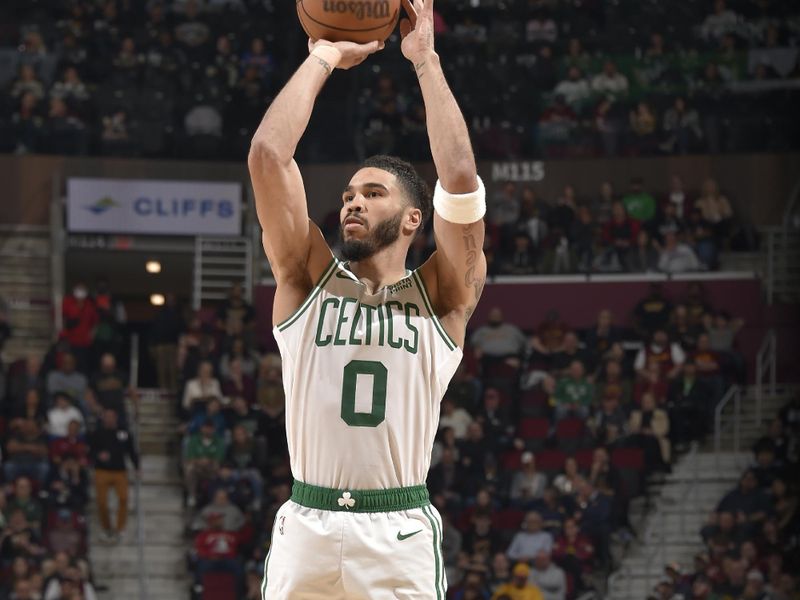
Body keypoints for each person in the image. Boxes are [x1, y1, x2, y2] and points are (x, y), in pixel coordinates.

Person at [248, 1, 487, 596]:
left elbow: (458, 178)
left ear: (413, 218)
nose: (351, 202)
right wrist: (324, 56)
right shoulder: (306, 279)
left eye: (372, 192)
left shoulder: (443, 294)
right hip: (308, 520)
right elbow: (268, 157)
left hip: (398, 530)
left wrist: (425, 61)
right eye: (349, 193)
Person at [89, 409, 140, 543]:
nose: (109, 419)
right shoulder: (97, 433)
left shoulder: (124, 433)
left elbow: (132, 451)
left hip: (120, 471)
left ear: (116, 418)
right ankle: (106, 528)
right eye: (107, 417)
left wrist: (137, 467)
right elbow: (91, 450)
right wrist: (98, 456)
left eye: (112, 416)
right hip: (102, 470)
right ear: (103, 418)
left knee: (123, 499)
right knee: (101, 502)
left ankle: (120, 529)